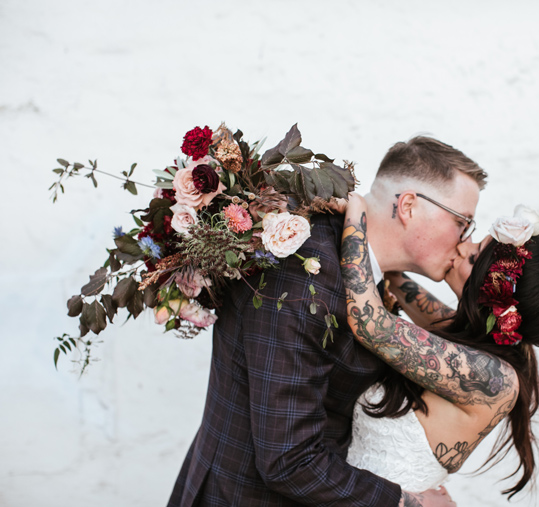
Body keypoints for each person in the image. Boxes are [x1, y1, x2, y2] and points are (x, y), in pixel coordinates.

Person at [168, 136, 487, 506]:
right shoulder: (306, 279)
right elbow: (288, 459)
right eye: (463, 223)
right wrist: (406, 503)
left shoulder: (360, 267)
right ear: (410, 207)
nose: (465, 242)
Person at [340, 195, 539, 498]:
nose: (462, 247)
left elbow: (370, 323)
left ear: (494, 295)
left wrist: (357, 213)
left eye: (473, 256)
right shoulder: (470, 341)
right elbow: (399, 282)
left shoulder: (494, 379)